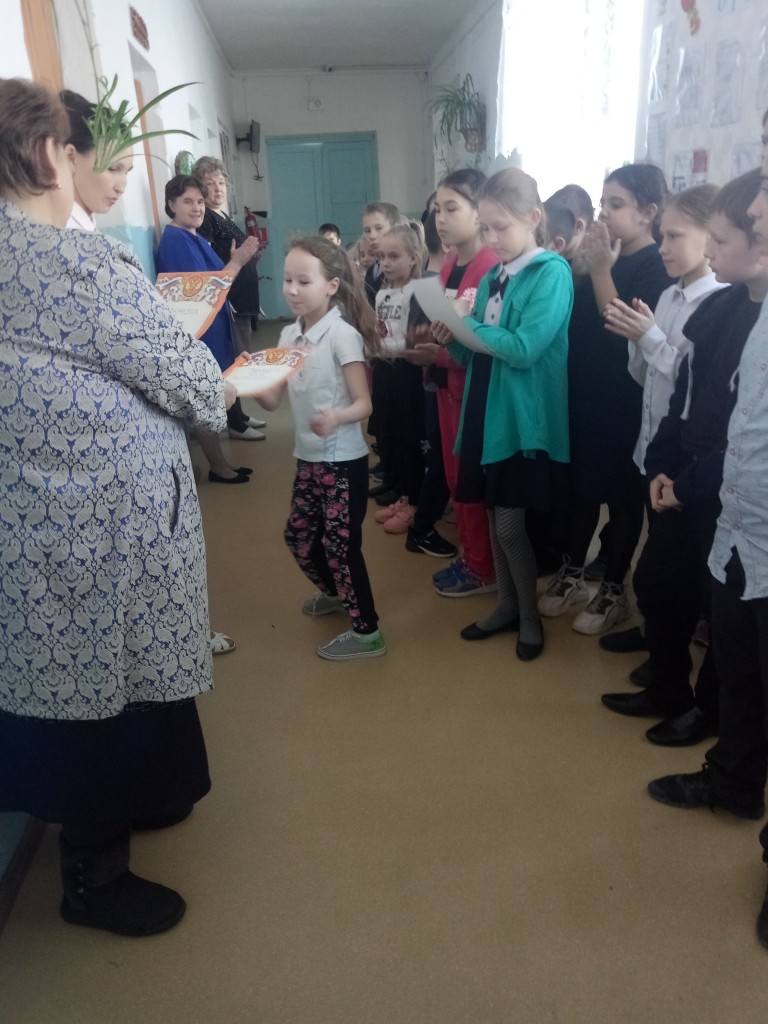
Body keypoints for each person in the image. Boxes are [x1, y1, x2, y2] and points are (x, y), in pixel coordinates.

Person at [0, 78, 234, 936]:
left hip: (32, 520)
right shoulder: (74, 263)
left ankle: (126, 808)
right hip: (96, 523)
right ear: (49, 155)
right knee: (101, 685)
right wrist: (229, 388)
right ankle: (92, 882)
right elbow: (190, 382)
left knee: (66, 680)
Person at [646, 115, 768, 951]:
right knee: (741, 679)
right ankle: (732, 782)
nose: (753, 216)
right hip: (739, 531)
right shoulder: (748, 315)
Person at [600, 171, 765, 737]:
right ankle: (667, 682)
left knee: (713, 606)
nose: (667, 248)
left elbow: (735, 422)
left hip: (714, 483)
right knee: (658, 581)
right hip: (679, 467)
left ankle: (703, 708)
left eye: (715, 239)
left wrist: (686, 481)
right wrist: (661, 465)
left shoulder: (734, 307)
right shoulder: (705, 305)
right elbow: (676, 395)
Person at [434, 167, 573, 660]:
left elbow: (524, 348)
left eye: (501, 227)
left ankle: (528, 616)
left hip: (519, 418)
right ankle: (507, 606)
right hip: (485, 406)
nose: (491, 239)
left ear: (533, 218)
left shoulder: (551, 272)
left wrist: (467, 326)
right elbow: (478, 352)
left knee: (511, 525)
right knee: (493, 515)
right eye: (486, 227)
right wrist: (455, 335)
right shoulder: (497, 274)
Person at [538, 163, 673, 634]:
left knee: (621, 497)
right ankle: (573, 573)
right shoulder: (597, 255)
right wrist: (586, 263)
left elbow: (621, 329)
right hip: (583, 394)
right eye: (602, 204)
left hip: (624, 401)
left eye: (616, 205)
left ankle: (615, 589)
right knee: (581, 490)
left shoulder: (654, 265)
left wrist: (599, 270)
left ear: (647, 212)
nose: (604, 214)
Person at [253, 236, 386, 661]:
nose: (292, 290)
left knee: (340, 547)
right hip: (308, 459)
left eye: (303, 281)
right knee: (298, 537)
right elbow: (272, 400)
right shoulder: (288, 334)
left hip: (343, 462)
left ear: (331, 285)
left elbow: (364, 403)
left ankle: (368, 634)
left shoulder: (342, 336)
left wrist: (337, 417)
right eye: (287, 280)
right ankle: (335, 593)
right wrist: (242, 383)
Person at [410, 169, 498, 585]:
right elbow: (444, 325)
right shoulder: (450, 265)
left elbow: (488, 344)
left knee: (470, 480)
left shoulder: (491, 268)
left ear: (479, 213)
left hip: (474, 392)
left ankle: (482, 566)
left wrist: (440, 355)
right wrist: (423, 342)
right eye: (436, 210)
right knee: (452, 475)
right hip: (446, 390)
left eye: (451, 209)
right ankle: (470, 555)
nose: (440, 219)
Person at [155, 174, 261, 482]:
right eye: (188, 201)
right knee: (204, 398)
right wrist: (238, 261)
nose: (197, 208)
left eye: (200, 202)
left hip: (213, 328)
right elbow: (206, 290)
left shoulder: (194, 237)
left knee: (210, 396)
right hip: (200, 334)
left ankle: (220, 463)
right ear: (171, 205)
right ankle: (218, 467)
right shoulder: (176, 241)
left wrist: (234, 261)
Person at [371, 224, 428, 535]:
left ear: (413, 258)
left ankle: (414, 504)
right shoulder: (383, 293)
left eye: (394, 256)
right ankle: (403, 496)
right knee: (390, 436)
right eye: (382, 257)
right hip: (384, 371)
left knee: (408, 441)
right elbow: (382, 331)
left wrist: (378, 347)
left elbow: (412, 340)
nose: (386, 263)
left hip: (406, 374)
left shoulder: (417, 292)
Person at [193, 156, 264, 356]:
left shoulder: (221, 214)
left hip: (243, 302)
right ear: (199, 187)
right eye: (210, 184)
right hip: (231, 302)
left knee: (244, 354)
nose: (218, 189)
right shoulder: (205, 218)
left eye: (221, 182)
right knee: (239, 359)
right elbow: (209, 260)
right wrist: (239, 260)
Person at [59, 89, 134, 231]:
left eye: (126, 172)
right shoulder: (62, 230)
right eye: (112, 168)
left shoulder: (85, 224)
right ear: (71, 156)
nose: (121, 188)